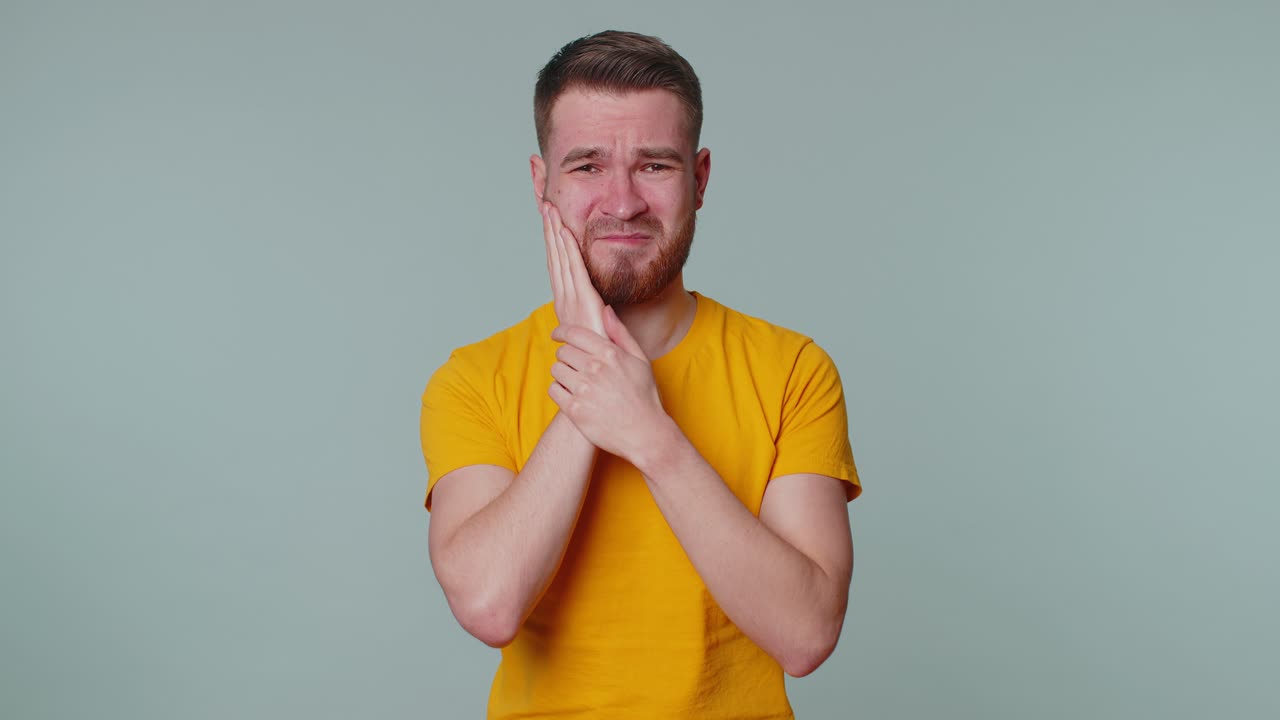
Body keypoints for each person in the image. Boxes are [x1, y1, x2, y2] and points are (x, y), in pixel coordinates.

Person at [420, 30, 861, 720]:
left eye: (653, 165)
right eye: (587, 166)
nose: (622, 202)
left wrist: (649, 435)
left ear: (701, 179)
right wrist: (592, 378)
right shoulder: (472, 380)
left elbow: (806, 634)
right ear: (542, 184)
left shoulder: (792, 370)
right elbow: (488, 604)